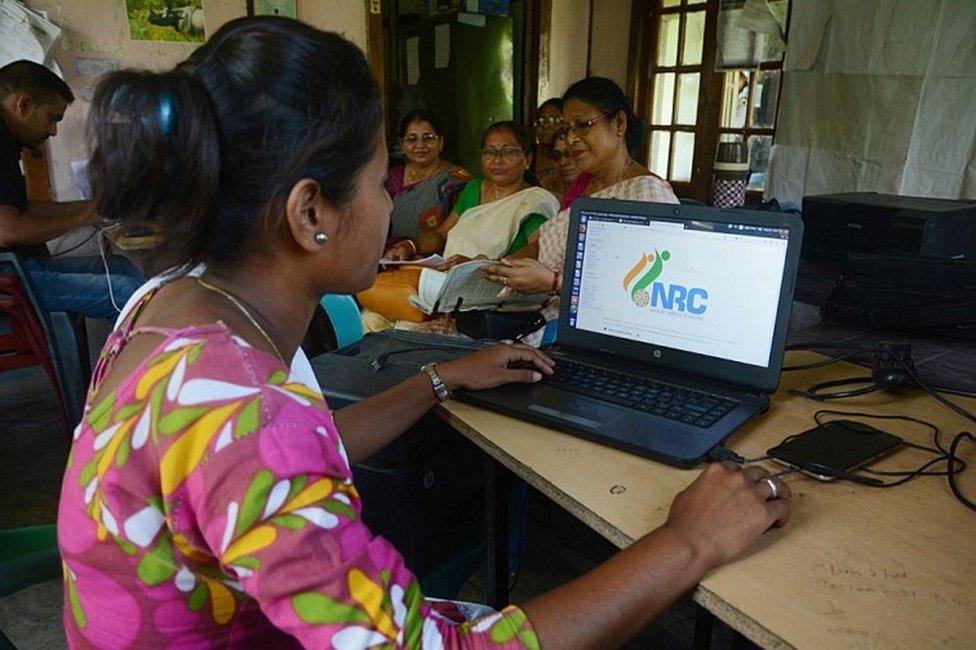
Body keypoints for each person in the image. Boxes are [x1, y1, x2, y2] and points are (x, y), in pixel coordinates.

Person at [58, 18, 791, 648]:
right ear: (310, 212)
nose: (391, 201)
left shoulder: (170, 309)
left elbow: (260, 469)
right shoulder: (246, 414)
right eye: (383, 180)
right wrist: (688, 540)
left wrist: (436, 380)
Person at [481, 77, 678, 319]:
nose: (571, 138)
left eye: (583, 125)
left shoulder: (649, 195)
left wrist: (555, 283)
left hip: (594, 331)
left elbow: (644, 294)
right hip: (537, 313)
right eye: (567, 128)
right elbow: (541, 247)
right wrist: (486, 269)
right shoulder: (583, 185)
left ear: (619, 123)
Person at [0, 60, 142, 319]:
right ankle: (138, 359)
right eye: (52, 119)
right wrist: (87, 216)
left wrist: (95, 206)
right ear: (23, 104)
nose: (53, 131)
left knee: (119, 268)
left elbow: (21, 207)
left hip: (19, 268)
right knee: (126, 293)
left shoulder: (7, 139)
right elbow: (7, 231)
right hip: (7, 280)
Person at [386, 121, 557, 262]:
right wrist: (410, 246)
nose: (497, 160)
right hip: (451, 281)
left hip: (504, 291)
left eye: (508, 152)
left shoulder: (533, 202)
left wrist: (479, 267)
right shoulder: (474, 188)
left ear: (527, 159)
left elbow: (539, 249)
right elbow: (441, 234)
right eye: (490, 152)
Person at [383, 109, 469, 247]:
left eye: (428, 138)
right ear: (402, 145)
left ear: (440, 142)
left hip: (440, 259)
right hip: (394, 257)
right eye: (412, 139)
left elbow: (461, 230)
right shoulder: (393, 178)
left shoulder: (456, 180)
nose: (420, 145)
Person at [531, 98, 564, 197]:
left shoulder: (576, 155)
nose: (546, 126)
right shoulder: (528, 155)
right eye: (540, 121)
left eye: (554, 120)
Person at [548, 130, 580, 203]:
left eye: (569, 154)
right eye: (556, 156)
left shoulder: (600, 189)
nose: (562, 163)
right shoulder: (548, 185)